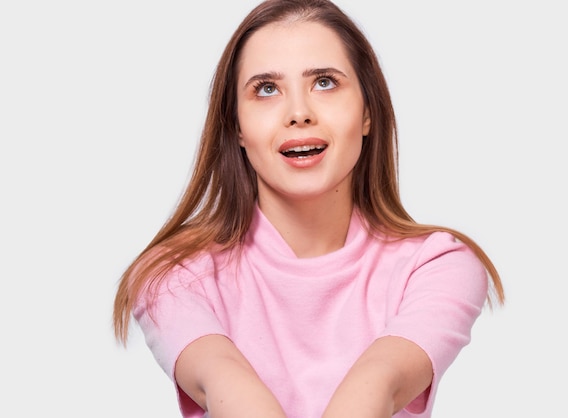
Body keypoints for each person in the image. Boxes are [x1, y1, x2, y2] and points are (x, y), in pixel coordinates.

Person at [113, 0, 505, 417]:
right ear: (237, 127)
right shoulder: (172, 276)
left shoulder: (437, 265)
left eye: (324, 82)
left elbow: (377, 389)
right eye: (266, 89)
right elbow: (229, 389)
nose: (298, 113)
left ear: (368, 111)